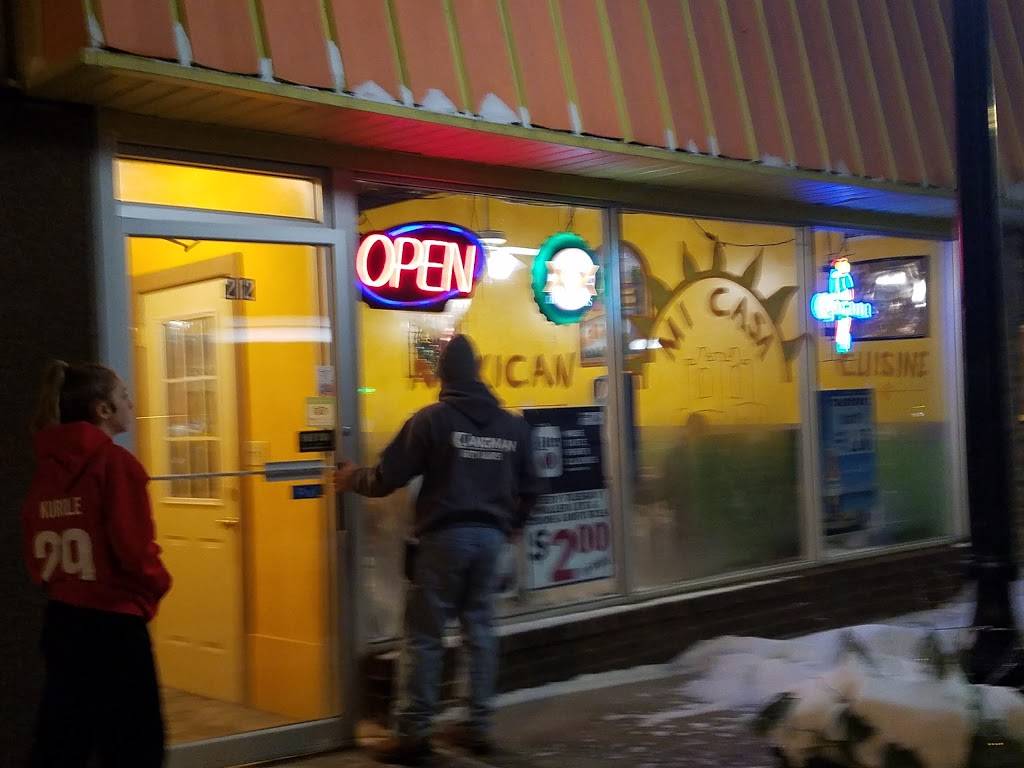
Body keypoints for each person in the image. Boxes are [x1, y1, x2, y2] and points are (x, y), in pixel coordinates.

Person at [334, 335, 542, 766]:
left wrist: (352, 478)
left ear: (444, 375)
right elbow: (534, 488)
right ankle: (476, 726)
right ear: (478, 372)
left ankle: (412, 734)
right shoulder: (512, 426)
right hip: (490, 541)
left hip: (445, 538)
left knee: (425, 636)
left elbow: (387, 477)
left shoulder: (433, 421)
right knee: (479, 632)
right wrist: (513, 527)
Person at [22, 361, 171, 767]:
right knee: (135, 746)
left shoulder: (46, 470)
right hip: (114, 627)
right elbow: (134, 550)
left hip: (62, 620)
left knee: (63, 743)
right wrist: (158, 584)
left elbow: (33, 545)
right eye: (123, 396)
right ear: (102, 409)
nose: (131, 403)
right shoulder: (117, 465)